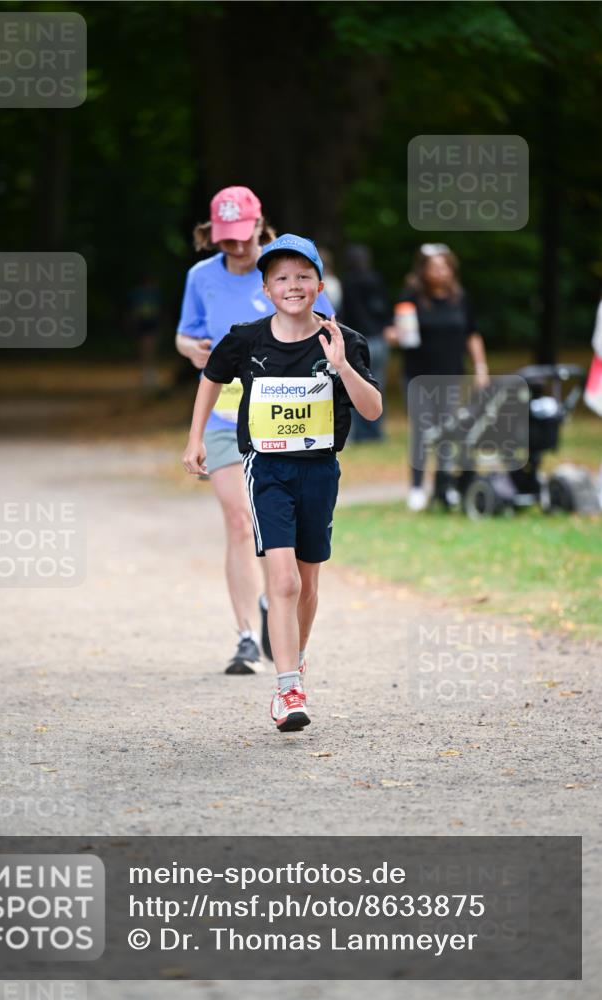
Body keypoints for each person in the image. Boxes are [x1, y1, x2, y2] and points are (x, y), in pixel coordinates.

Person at [182, 235, 382, 732]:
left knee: (309, 582)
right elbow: (211, 375)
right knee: (285, 580)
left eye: (302, 277)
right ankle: (287, 689)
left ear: (319, 284)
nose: (292, 286)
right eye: (281, 279)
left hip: (320, 470)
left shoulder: (343, 340)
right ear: (266, 289)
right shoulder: (246, 339)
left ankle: (297, 654)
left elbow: (373, 408)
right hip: (267, 469)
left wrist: (340, 368)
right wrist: (195, 439)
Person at [176, 187, 332, 676]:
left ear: (259, 226)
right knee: (239, 519)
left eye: (242, 238)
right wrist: (192, 350)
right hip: (225, 414)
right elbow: (184, 333)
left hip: (283, 419)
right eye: (225, 241)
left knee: (273, 525)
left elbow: (320, 324)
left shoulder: (283, 271)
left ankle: (276, 598)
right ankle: (246, 635)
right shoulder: (200, 277)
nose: (235, 249)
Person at [385, 243, 490, 511]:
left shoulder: (460, 298)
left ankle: (444, 486)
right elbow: (394, 330)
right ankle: (418, 487)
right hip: (418, 376)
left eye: (445, 266)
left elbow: (472, 333)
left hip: (452, 376)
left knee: (448, 430)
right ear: (424, 271)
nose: (441, 272)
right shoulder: (411, 296)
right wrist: (394, 336)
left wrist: (480, 366)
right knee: (422, 431)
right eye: (435, 267)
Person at [341, 243, 391, 442]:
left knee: (354, 385)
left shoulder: (347, 282)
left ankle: (358, 434)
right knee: (377, 385)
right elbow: (383, 308)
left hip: (356, 340)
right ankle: (375, 432)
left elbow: (347, 313)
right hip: (378, 338)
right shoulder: (375, 279)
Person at [127, 273, 162, 392]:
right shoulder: (140, 294)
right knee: (145, 349)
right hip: (143, 324)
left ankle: (148, 372)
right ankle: (147, 372)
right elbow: (134, 310)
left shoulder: (154, 294)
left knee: (149, 348)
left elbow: (159, 310)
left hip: (151, 324)